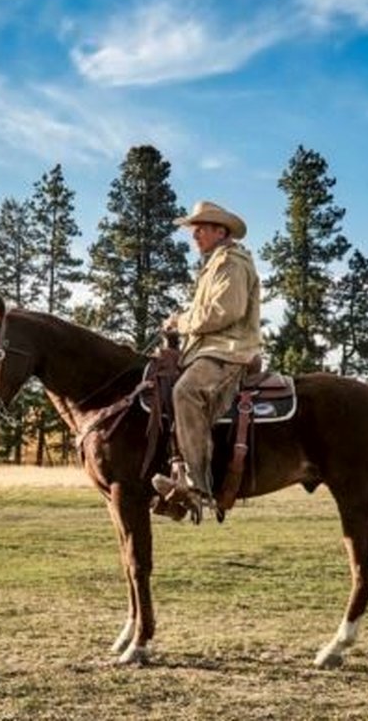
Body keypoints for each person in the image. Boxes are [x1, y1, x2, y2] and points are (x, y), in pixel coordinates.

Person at [151, 201, 262, 518]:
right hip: (207, 349)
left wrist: (181, 322)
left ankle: (196, 486)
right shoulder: (213, 264)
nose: (194, 235)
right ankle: (175, 469)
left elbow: (225, 311)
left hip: (229, 350)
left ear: (220, 230)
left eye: (200, 229)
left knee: (186, 392)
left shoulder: (232, 263)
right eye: (193, 229)